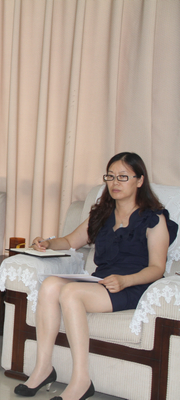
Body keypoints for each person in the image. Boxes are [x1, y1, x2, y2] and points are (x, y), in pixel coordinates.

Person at [15, 152, 177, 400]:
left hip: (134, 285)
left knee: (71, 292)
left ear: (140, 180)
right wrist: (48, 243)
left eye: (123, 177)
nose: (115, 182)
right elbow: (70, 241)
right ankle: (43, 368)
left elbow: (157, 268)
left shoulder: (153, 219)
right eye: (110, 177)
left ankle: (81, 381)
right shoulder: (102, 214)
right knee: (49, 285)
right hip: (101, 283)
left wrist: (126, 280)